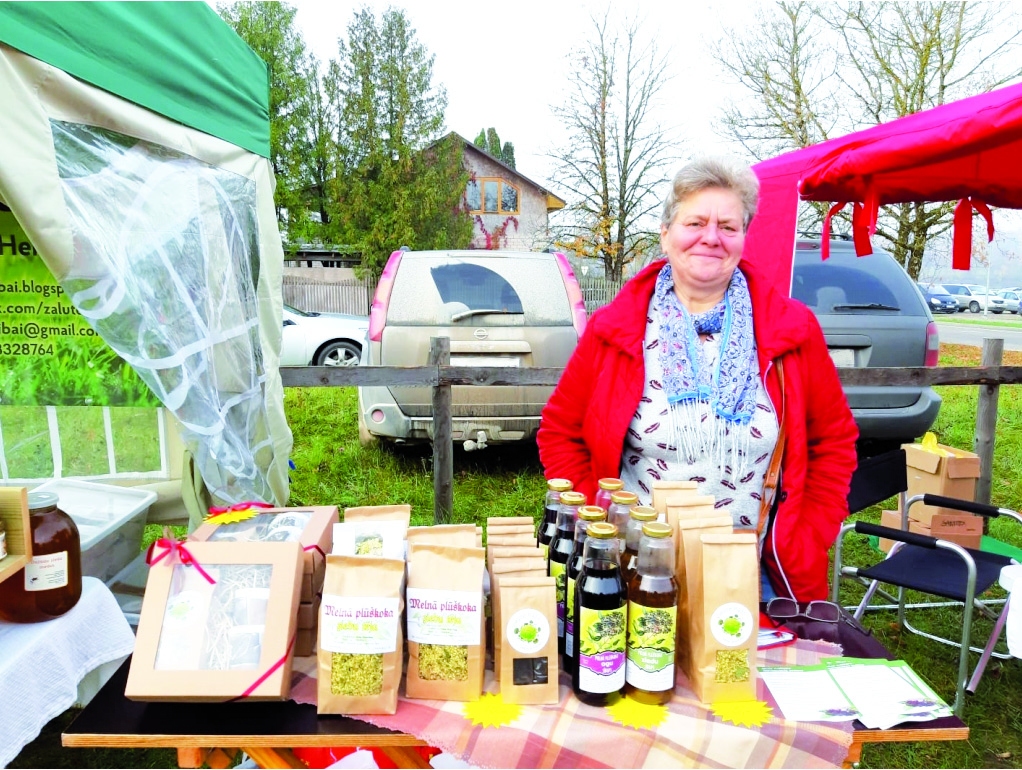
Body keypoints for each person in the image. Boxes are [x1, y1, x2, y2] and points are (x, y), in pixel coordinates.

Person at [537, 156, 858, 601]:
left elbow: (834, 443)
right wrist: (602, 517)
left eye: (728, 226)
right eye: (696, 223)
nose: (711, 237)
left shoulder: (792, 329)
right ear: (666, 233)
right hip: (635, 572)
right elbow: (560, 432)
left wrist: (808, 535)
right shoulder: (617, 328)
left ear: (744, 238)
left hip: (753, 576)